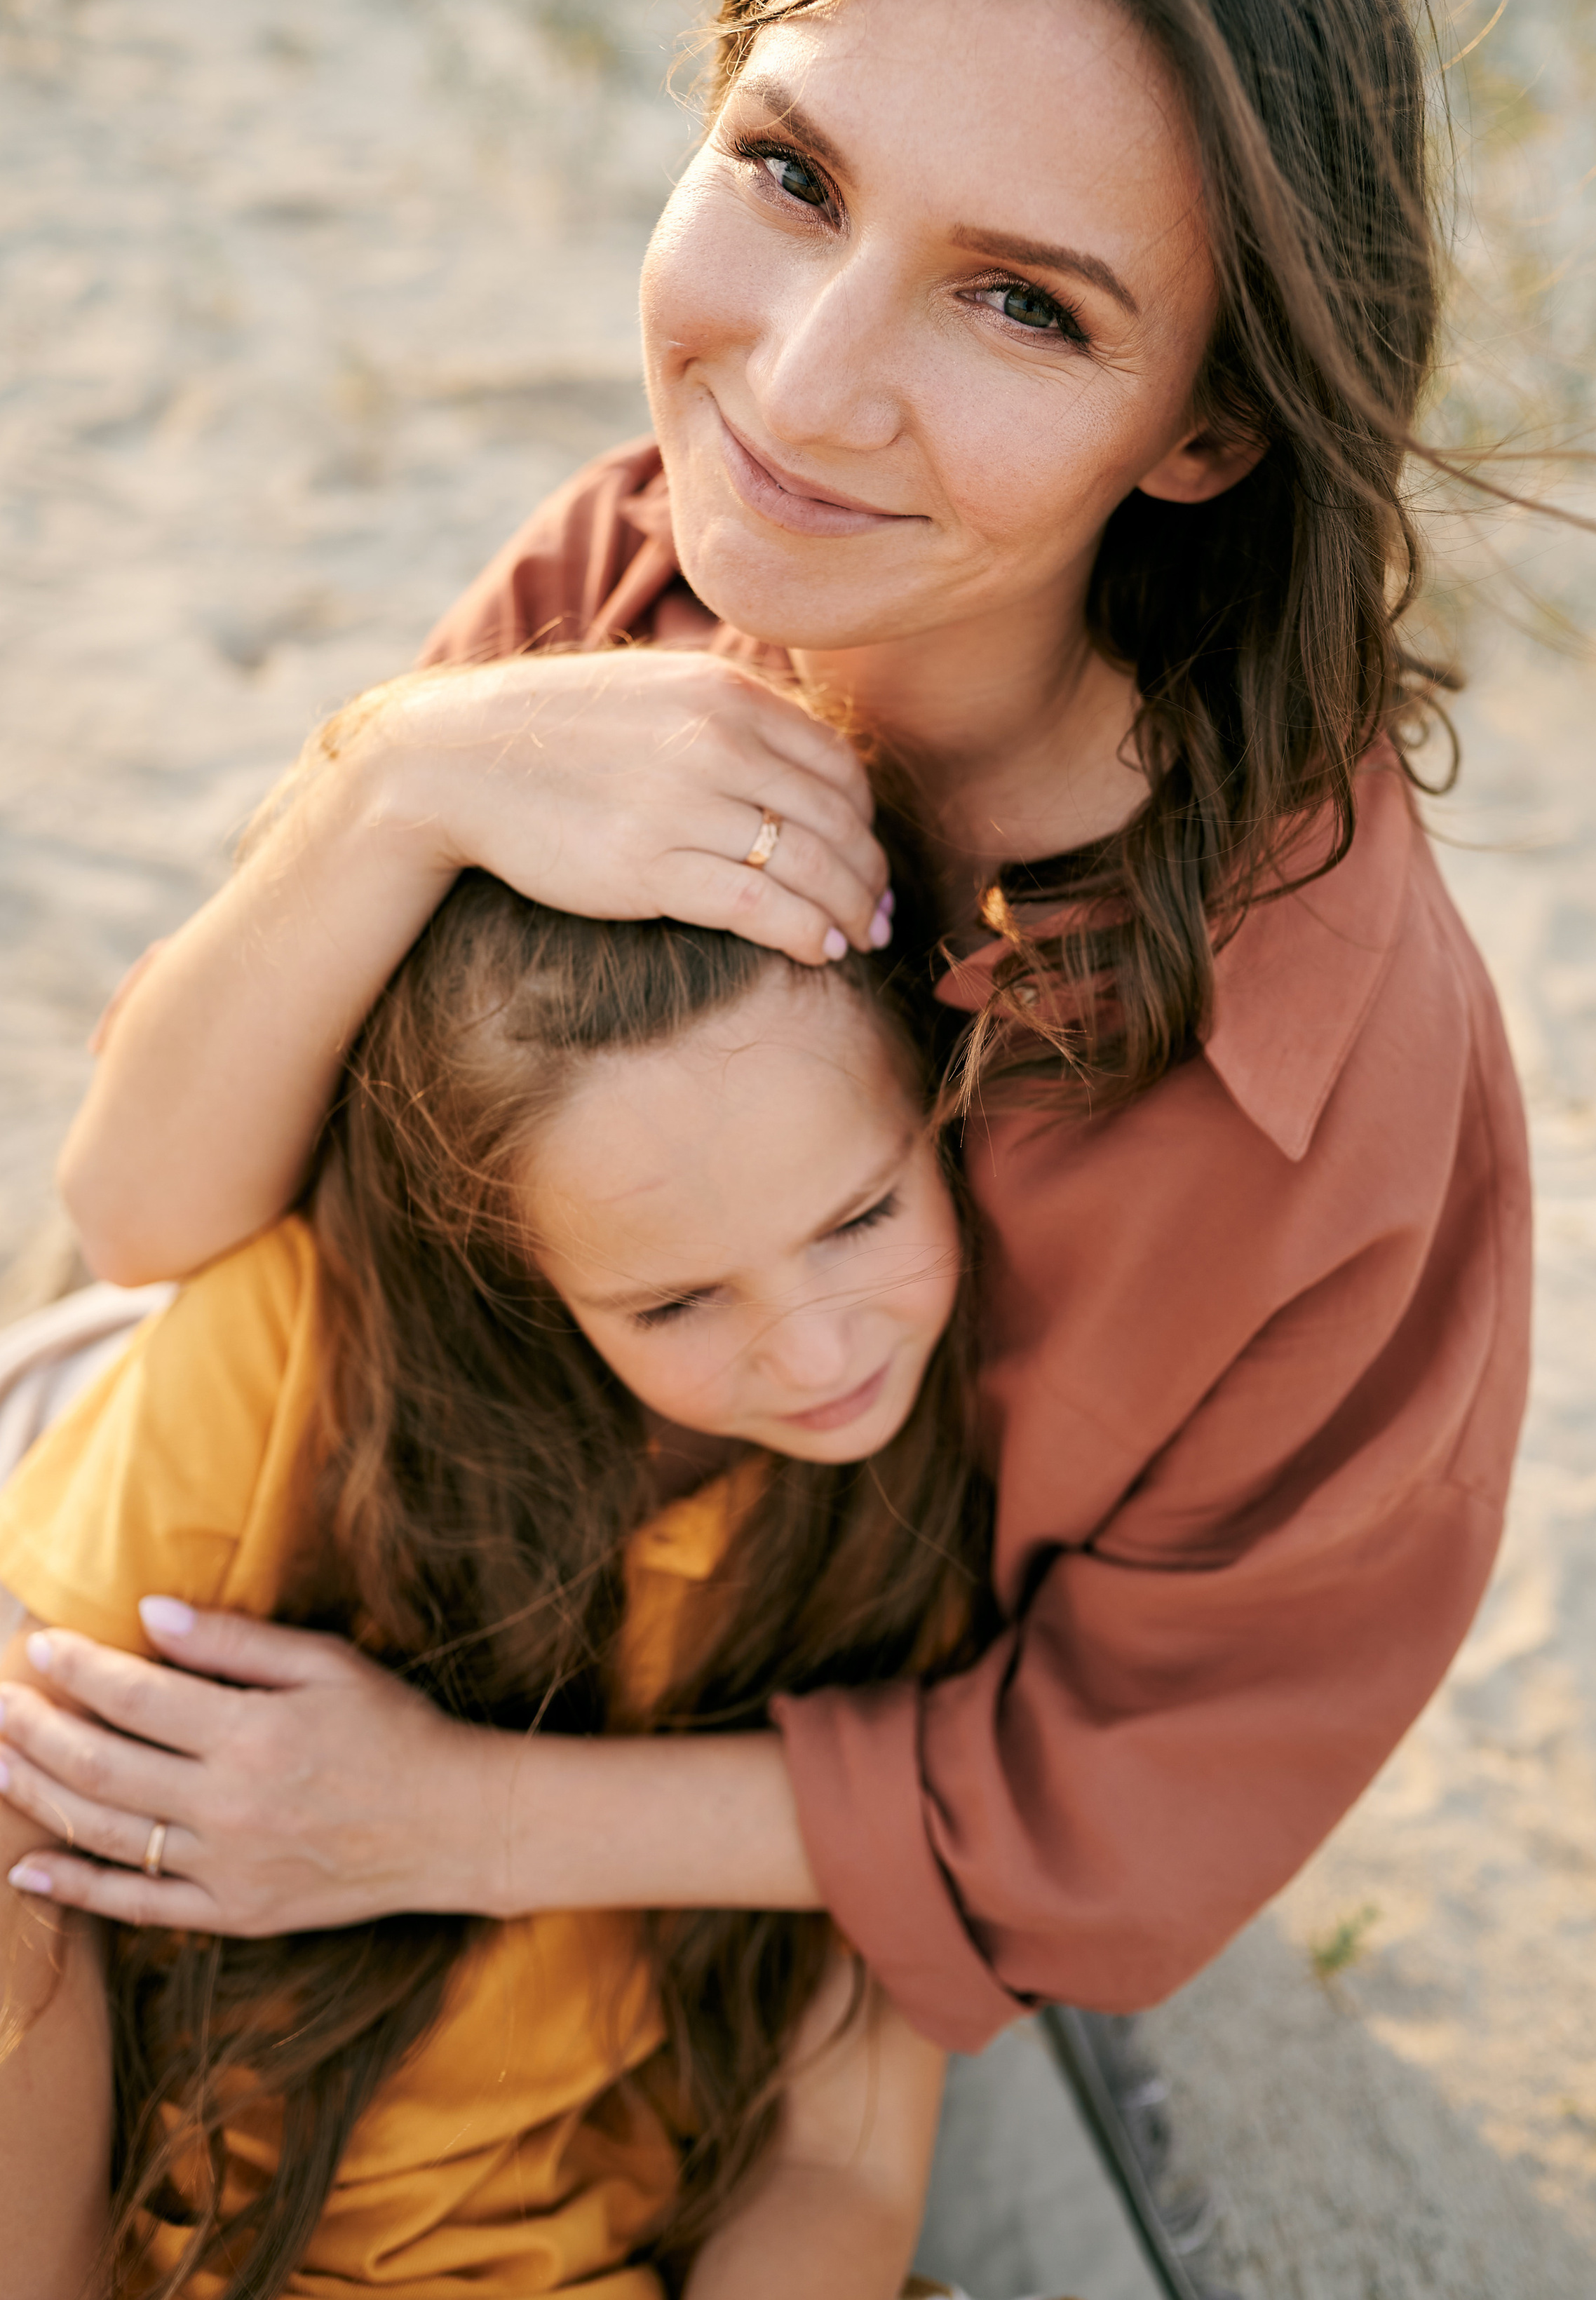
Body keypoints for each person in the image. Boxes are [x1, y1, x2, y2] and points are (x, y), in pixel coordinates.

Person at [4, 0, 1531, 2058]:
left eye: (1023, 303)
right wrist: (399, 775)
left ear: (1212, 426)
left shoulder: (1316, 1085)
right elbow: (148, 1212)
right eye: (790, 174)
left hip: (742, 1899)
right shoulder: (621, 585)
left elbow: (1137, 1799)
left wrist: (437, 1816)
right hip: (375, 1549)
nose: (804, 388)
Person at [0, 863, 978, 2300]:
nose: (818, 1354)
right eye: (673, 1300)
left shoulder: (915, 1540)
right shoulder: (291, 1359)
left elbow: (844, 2160)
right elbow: (28, 1840)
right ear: (517, 1271)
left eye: (859, 1217)